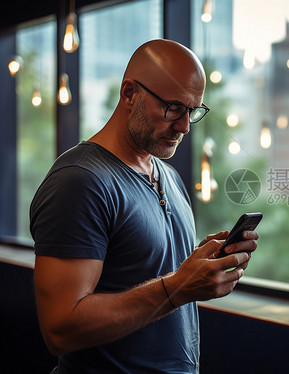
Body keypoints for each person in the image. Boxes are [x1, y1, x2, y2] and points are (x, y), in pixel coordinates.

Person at [30, 39, 258, 373]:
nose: (183, 126)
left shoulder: (168, 175)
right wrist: (180, 286)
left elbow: (151, 273)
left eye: (192, 111)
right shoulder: (79, 181)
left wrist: (198, 267)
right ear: (129, 94)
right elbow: (60, 330)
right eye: (173, 108)